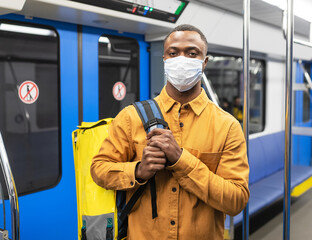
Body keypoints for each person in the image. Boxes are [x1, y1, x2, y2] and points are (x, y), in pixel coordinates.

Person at [91, 24, 249, 240]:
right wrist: (138, 171)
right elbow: (99, 169)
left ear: (204, 62)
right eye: (173, 53)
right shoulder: (130, 117)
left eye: (192, 53)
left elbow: (236, 200)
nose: (181, 59)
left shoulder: (227, 126)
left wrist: (181, 160)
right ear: (165, 60)